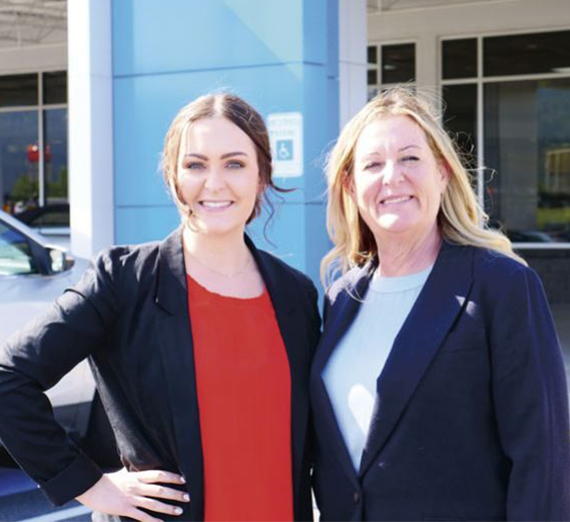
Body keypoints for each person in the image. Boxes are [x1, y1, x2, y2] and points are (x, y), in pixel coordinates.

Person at [0, 93, 321, 522]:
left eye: (235, 163)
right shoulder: (124, 280)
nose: (214, 183)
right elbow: (9, 379)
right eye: (195, 164)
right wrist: (90, 485)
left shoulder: (295, 295)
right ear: (172, 175)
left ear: (262, 174)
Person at [310, 86, 570, 521]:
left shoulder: (501, 286)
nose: (392, 177)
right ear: (352, 187)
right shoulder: (342, 297)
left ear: (444, 173)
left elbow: (542, 459)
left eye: (410, 158)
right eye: (373, 164)